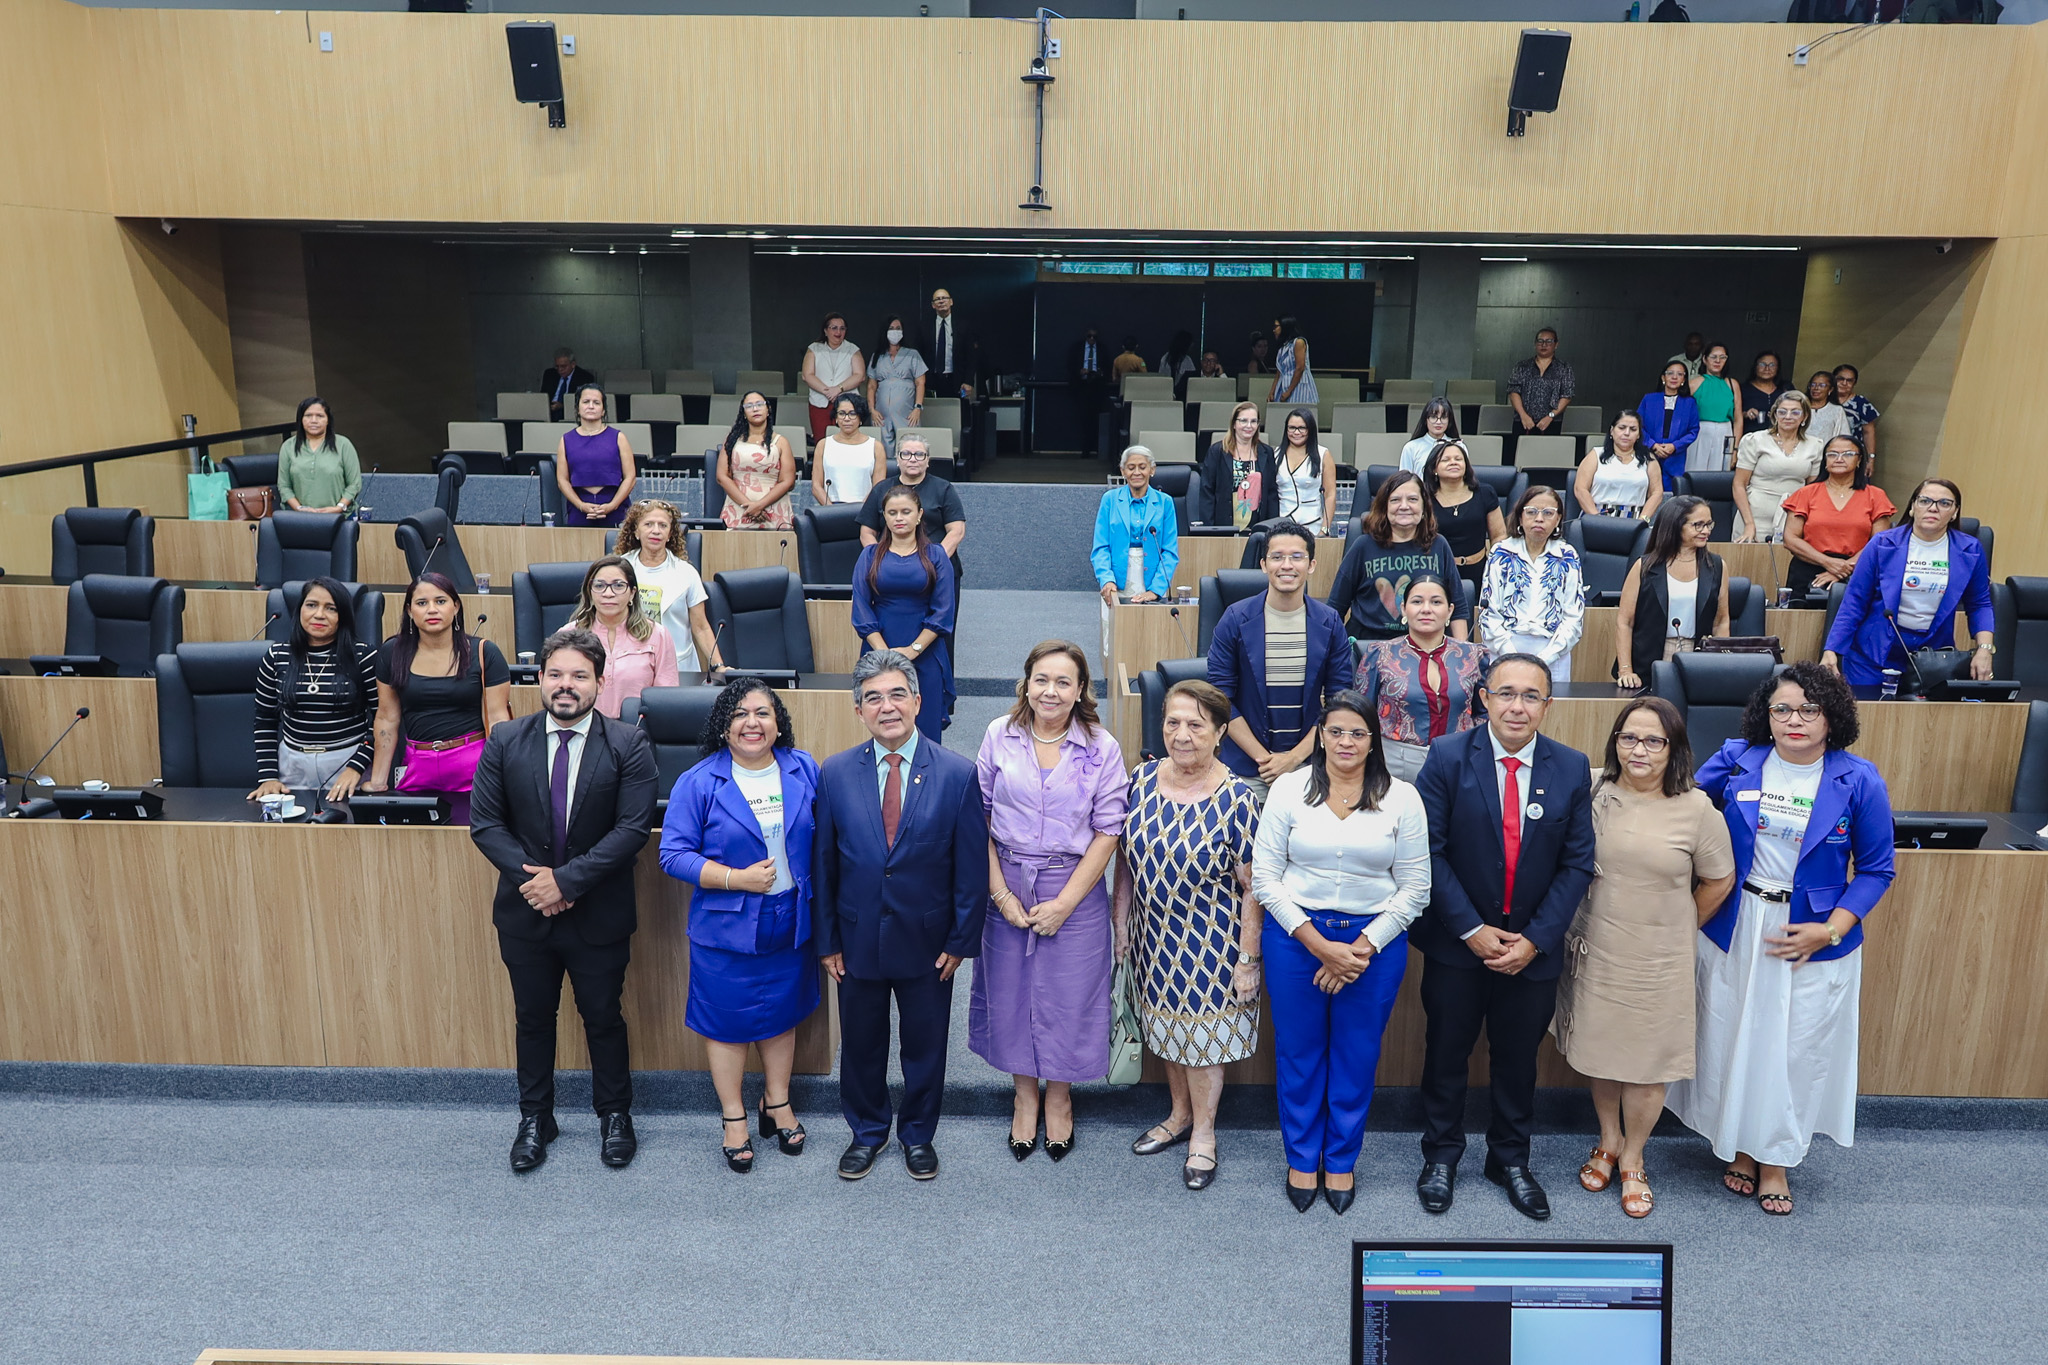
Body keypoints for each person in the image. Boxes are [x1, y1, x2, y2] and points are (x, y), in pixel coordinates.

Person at [1668, 662, 1895, 1216]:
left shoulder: (1857, 779)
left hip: (1812, 935)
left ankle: (1776, 1161)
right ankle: (1742, 1148)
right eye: (1783, 709)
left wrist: (1832, 927)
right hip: (1737, 920)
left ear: (1831, 717)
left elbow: (1875, 870)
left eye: (1810, 710)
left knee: (1794, 1049)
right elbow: (1682, 808)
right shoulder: (1738, 760)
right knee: (1732, 1035)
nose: (1796, 720)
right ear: (1765, 717)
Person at [1411, 653, 1597, 1220]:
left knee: (1518, 1062)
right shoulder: (1445, 757)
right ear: (1485, 699)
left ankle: (1510, 1159)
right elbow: (1428, 854)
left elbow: (1578, 864)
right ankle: (1441, 1156)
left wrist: (1535, 940)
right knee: (1447, 1055)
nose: (1518, 706)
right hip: (1456, 945)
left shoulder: (1570, 766)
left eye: (1531, 696)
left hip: (1531, 952)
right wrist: (1470, 929)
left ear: (1548, 704)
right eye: (1506, 693)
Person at [469, 627, 659, 1173]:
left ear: (599, 682)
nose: (566, 685)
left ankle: (615, 1115)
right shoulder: (506, 740)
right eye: (556, 674)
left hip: (597, 912)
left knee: (602, 1016)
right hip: (525, 912)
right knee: (532, 1017)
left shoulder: (628, 743)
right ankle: (535, 1117)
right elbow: (486, 825)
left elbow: (632, 829)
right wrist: (540, 885)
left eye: (579, 675)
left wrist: (567, 883)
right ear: (539, 679)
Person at [1553, 698, 1736, 1219]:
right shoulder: (1591, 789)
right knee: (1602, 1051)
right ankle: (1608, 1140)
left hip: (1658, 957)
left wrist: (1679, 927)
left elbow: (1720, 879)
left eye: (1654, 740)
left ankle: (1634, 1157)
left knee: (1646, 1064)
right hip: (1596, 947)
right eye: (1628, 738)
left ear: (1674, 748)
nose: (1639, 749)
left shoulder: (1696, 808)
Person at [814, 651, 989, 1181]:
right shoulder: (836, 772)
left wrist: (960, 942)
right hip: (857, 938)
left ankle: (917, 1135)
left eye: (896, 695)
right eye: (873, 698)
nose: (886, 707)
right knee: (861, 1047)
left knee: (925, 1047)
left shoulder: (958, 774)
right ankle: (866, 1133)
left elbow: (970, 868)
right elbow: (823, 863)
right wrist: (827, 940)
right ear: (859, 710)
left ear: (917, 701)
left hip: (929, 942)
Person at [1253, 689, 1428, 1214]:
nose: (1346, 741)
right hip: (1295, 938)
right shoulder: (1288, 790)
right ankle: (1302, 1158)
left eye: (1358, 732)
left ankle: (1341, 1160)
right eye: (1336, 732)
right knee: (1299, 1054)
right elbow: (1265, 877)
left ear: (1373, 740)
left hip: (1372, 945)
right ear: (1320, 737)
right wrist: (1319, 945)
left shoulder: (1402, 797)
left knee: (1356, 1055)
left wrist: (1358, 947)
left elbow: (1416, 887)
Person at [658, 677, 821, 1173]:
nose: (752, 723)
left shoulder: (803, 767)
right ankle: (734, 1116)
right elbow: (673, 855)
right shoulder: (700, 781)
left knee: (782, 1015)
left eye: (763, 713)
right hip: (726, 927)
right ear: (723, 726)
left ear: (778, 723)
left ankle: (777, 1103)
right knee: (726, 1023)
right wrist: (735, 878)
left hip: (791, 918)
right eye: (739, 714)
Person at [973, 641, 1127, 1162]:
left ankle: (1059, 1097)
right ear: (1026, 683)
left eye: (1064, 682)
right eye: (1042, 679)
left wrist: (1064, 903)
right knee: (1011, 994)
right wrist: (999, 893)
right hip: (1007, 881)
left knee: (1070, 997)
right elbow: (978, 822)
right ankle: (1024, 1098)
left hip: (1074, 888)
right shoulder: (1000, 734)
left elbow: (1108, 831)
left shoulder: (1101, 747)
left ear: (1081, 689)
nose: (1051, 691)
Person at [1115, 679, 1263, 1190]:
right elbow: (1124, 865)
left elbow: (1253, 889)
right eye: (1173, 722)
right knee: (1166, 1033)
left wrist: (1248, 959)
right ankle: (1177, 1116)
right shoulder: (1138, 780)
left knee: (1201, 1043)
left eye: (1196, 725)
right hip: (1152, 936)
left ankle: (1204, 1135)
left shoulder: (1239, 799)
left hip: (1211, 942)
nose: (1182, 735)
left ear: (1220, 733)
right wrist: (1121, 926)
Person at [1208, 521, 1357, 800]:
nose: (1286, 565)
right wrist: (1266, 761)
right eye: (1277, 557)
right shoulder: (1235, 619)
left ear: (1311, 565)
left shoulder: (1330, 622)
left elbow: (1339, 701)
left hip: (1308, 765)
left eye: (1296, 557)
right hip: (1244, 768)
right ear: (1264, 565)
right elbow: (1221, 700)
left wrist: (1293, 759)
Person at [365, 572, 513, 824]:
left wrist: (499, 778)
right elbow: (387, 718)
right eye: (422, 603)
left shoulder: (484, 652)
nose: (431, 609)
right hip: (417, 766)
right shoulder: (392, 652)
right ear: (410, 611)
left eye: (440, 601)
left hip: (474, 765)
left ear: (456, 607)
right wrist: (379, 780)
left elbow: (499, 720)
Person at [1821, 477, 1995, 685]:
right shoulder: (1883, 544)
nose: (1933, 508)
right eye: (1925, 501)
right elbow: (1855, 600)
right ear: (1912, 507)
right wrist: (1831, 650)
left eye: (1944, 503)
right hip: (1873, 652)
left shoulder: (1970, 550)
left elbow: (1979, 605)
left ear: (1955, 512)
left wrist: (1984, 650)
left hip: (1933, 656)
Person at [247, 576, 378, 803]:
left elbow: (383, 721)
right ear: (299, 610)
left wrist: (356, 767)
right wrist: (268, 777)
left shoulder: (363, 656)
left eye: (331, 608)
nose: (319, 615)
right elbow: (265, 721)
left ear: (342, 617)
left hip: (347, 761)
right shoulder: (276, 656)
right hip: (292, 763)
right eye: (311, 605)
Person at [1358, 574, 1489, 782]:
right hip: (1394, 764)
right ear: (1403, 609)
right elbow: (1361, 714)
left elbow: (1485, 713)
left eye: (1436, 602)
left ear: (1450, 611)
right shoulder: (1380, 654)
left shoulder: (1474, 655)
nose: (1426, 609)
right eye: (1417, 601)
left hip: (1459, 761)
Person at [852, 486, 958, 741]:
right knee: (882, 724)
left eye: (906, 511)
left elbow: (943, 611)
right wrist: (885, 653)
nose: (899, 518)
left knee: (926, 731)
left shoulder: (937, 555)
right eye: (892, 512)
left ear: (919, 515)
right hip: (878, 651)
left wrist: (913, 650)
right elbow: (862, 609)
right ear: (884, 517)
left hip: (926, 653)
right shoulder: (869, 555)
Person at [1329, 472, 1467, 643]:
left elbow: (1458, 608)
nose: (1404, 506)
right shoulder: (1362, 546)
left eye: (1412, 499)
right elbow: (1336, 607)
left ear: (1424, 507)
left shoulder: (1439, 545)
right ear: (1384, 507)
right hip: (1369, 646)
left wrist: (1463, 654)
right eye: (1395, 500)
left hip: (1425, 645)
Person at [1614, 497, 1732, 690]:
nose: (1706, 531)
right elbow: (1625, 622)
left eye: (1709, 524)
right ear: (1676, 525)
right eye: (1698, 525)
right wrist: (1626, 670)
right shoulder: (1645, 566)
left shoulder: (1717, 567)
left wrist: (1721, 664)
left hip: (1698, 658)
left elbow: (1721, 622)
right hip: (1650, 660)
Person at [1479, 486, 1584, 676]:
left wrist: (1545, 658)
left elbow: (1573, 618)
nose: (1539, 519)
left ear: (1558, 519)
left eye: (1548, 513)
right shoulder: (1501, 553)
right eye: (1532, 512)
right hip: (1506, 647)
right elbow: (1488, 614)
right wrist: (1511, 655)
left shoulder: (1567, 556)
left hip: (1554, 652)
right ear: (1520, 517)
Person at [616, 499, 722, 679]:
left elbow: (701, 627)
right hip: (628, 664)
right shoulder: (619, 569)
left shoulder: (686, 572)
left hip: (680, 666)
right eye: (648, 524)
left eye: (662, 525)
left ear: (670, 533)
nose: (656, 530)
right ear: (636, 531)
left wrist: (718, 666)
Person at [1779, 438, 1897, 597]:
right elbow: (1790, 539)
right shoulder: (1806, 493)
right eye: (1833, 454)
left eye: (1848, 454)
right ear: (1825, 460)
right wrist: (1828, 563)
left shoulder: (1876, 496)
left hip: (1858, 571)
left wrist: (1844, 569)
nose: (1839, 459)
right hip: (1808, 571)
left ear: (1859, 459)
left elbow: (1880, 542)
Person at [569, 557, 678, 718]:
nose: (608, 593)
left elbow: (665, 699)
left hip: (638, 730)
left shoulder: (657, 635)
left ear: (632, 593)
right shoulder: (569, 635)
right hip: (585, 729)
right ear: (590, 593)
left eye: (618, 586)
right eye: (599, 586)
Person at [857, 434, 967, 583]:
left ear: (928, 460)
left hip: (937, 569)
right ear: (897, 459)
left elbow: (957, 531)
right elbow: (866, 533)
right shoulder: (881, 489)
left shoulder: (943, 489)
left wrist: (936, 560)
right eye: (906, 454)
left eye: (920, 454)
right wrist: (880, 560)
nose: (913, 459)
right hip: (890, 570)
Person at [1092, 446, 1180, 605]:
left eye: (1142, 467)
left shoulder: (1165, 502)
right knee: (1117, 628)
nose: (1137, 473)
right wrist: (1106, 579)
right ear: (1123, 471)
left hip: (1154, 579)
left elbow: (1169, 551)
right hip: (1116, 580)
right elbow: (1100, 547)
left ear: (1152, 470)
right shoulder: (1109, 500)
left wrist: (1156, 589)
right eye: (1131, 468)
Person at [1733, 391, 1821, 543]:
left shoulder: (1816, 445)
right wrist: (1749, 524)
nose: (1788, 416)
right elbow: (1739, 484)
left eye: (1795, 412)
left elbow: (1813, 489)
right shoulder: (1755, 440)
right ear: (1774, 415)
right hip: (1755, 516)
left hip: (1794, 518)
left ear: (1804, 417)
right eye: (1782, 412)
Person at [1425, 441, 1505, 600]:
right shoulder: (1424, 498)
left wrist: (1495, 569)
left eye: (1458, 459)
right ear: (1434, 468)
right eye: (1446, 460)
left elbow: (1499, 536)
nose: (1453, 462)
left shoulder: (1485, 492)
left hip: (1479, 571)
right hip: (1438, 571)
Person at [555, 384, 637, 529]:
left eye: (596, 403)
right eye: (586, 402)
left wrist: (612, 505)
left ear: (603, 409)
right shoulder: (566, 440)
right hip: (580, 507)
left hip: (615, 505)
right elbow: (562, 480)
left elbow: (630, 477)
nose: (591, 406)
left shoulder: (618, 437)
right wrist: (581, 505)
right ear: (577, 408)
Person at [717, 391, 797, 531]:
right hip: (739, 509)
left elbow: (788, 481)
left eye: (759, 404)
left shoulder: (781, 442)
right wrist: (748, 505)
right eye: (749, 406)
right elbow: (722, 477)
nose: (755, 409)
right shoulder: (731, 441)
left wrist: (759, 505)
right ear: (743, 412)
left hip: (773, 511)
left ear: (768, 410)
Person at [276, 397, 362, 515]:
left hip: (339, 518)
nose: (314, 420)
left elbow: (354, 484)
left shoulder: (343, 445)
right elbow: (284, 485)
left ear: (328, 420)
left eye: (320, 416)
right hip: (300, 518)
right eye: (308, 415)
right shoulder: (288, 446)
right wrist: (299, 508)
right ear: (301, 419)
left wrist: (339, 507)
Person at [1199, 400, 1277, 529]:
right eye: (1243, 420)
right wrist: (1209, 529)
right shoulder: (1218, 451)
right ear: (1234, 424)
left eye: (1253, 421)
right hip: (1224, 527)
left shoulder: (1266, 452)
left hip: (1258, 528)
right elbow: (1207, 492)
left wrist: (1271, 528)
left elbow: (1271, 493)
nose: (1249, 425)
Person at [1573, 412, 1663, 522]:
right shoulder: (1596, 454)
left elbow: (1657, 493)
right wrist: (1595, 519)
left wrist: (1643, 520)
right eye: (1622, 428)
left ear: (1639, 434)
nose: (1627, 433)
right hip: (1596, 517)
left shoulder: (1649, 459)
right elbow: (1580, 489)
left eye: (1633, 429)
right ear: (1612, 430)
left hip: (1635, 521)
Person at [864, 316, 928, 456]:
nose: (895, 332)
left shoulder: (912, 354)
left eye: (898, 328)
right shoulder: (878, 356)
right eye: (891, 328)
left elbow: (920, 382)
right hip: (881, 415)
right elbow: (871, 386)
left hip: (907, 414)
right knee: (881, 449)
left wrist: (917, 408)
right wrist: (872, 410)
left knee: (908, 447)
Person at [1506, 327, 1575, 454]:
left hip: (1551, 422)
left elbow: (1567, 395)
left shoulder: (1564, 368)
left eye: (1549, 341)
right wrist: (1523, 415)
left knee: (1547, 458)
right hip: (1523, 421)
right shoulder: (1522, 366)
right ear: (1535, 344)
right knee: (1519, 456)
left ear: (1556, 345)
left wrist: (1550, 416)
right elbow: (1513, 391)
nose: (1544, 345)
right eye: (1540, 341)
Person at [812, 392, 887, 507]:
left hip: (864, 509)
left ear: (860, 417)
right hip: (830, 510)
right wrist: (831, 510)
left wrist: (862, 511)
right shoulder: (823, 445)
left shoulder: (876, 447)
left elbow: (878, 487)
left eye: (852, 414)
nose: (847, 419)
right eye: (842, 413)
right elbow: (816, 486)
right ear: (836, 418)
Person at [1635, 361, 1701, 492]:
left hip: (1675, 458)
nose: (1674, 377)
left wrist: (1674, 446)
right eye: (1670, 373)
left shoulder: (1689, 403)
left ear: (1684, 380)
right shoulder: (1649, 399)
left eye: (1679, 374)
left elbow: (1693, 430)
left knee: (1672, 499)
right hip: (1649, 454)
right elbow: (1637, 426)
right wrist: (1653, 445)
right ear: (1663, 378)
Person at [802, 312, 866, 442]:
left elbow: (860, 375)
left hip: (847, 403)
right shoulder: (814, 348)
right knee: (822, 441)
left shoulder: (853, 349)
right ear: (825, 331)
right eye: (834, 328)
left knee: (847, 440)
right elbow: (807, 375)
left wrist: (838, 389)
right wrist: (827, 391)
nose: (838, 332)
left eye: (842, 328)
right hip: (819, 402)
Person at [1271, 408, 1336, 535]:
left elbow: (1330, 495)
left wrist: (1324, 529)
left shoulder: (1323, 454)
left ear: (1310, 430)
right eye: (1292, 428)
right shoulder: (1275, 454)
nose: (1296, 432)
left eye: (1302, 428)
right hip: (1280, 525)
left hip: (1313, 525)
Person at [1686, 342, 1742, 473]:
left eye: (1722, 357)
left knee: (1719, 474)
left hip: (1725, 432)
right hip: (1700, 431)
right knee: (1695, 471)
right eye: (1713, 357)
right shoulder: (1694, 383)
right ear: (1705, 359)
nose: (1718, 361)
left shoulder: (1732, 385)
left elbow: (1738, 419)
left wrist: (1735, 449)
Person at [920, 285, 976, 402]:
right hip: (931, 381)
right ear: (933, 305)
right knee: (934, 416)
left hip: (958, 381)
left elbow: (971, 357)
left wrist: (968, 381)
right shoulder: (924, 327)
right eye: (937, 299)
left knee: (959, 415)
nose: (941, 301)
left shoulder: (963, 326)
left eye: (944, 298)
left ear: (951, 302)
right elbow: (919, 355)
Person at [1070, 325, 1108, 458]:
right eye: (1089, 336)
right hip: (1082, 386)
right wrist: (1079, 372)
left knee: (1097, 419)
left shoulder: (1102, 349)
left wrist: (1099, 373)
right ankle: (1085, 450)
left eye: (1094, 337)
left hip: (1097, 386)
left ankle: (1097, 448)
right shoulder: (1077, 349)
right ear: (1085, 336)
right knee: (1083, 419)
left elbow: (1107, 366)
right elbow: (1070, 365)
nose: (1092, 339)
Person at [1833, 365, 1880, 467]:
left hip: (1851, 454)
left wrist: (1871, 459)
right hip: (1826, 453)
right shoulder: (1824, 400)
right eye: (1840, 379)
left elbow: (1869, 432)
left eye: (1849, 381)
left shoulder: (1861, 403)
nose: (1844, 383)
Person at [1399, 398, 1460, 477]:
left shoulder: (1459, 446)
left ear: (1449, 421)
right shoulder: (1411, 447)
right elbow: (1404, 481)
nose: (1438, 422)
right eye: (1434, 417)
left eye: (1443, 417)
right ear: (1425, 420)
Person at [1739, 350, 1789, 436]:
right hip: (1750, 439)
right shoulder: (1743, 389)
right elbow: (1731, 414)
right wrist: (1745, 414)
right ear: (1755, 367)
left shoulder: (1784, 390)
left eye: (1772, 365)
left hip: (1777, 440)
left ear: (1778, 368)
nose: (1767, 368)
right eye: (1762, 364)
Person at [1268, 317, 1317, 406]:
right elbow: (1279, 372)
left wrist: (1289, 391)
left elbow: (1300, 368)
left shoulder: (1298, 342)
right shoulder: (1283, 347)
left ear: (1285, 326)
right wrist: (1272, 391)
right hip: (1283, 386)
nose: (1274, 330)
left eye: (1276, 327)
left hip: (1298, 387)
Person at [540, 347, 595, 422]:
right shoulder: (550, 374)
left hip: (571, 413)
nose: (560, 370)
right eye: (557, 366)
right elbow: (543, 396)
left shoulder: (585, 377)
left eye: (563, 366)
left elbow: (585, 402)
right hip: (550, 412)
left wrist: (562, 406)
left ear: (573, 364)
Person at [1801, 371, 1853, 449]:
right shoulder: (1800, 407)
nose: (1816, 388)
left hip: (1825, 455)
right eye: (1813, 384)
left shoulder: (1837, 410)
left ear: (1830, 389)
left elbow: (1843, 437)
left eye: (1822, 385)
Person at [1158, 329, 1197, 399]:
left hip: (1166, 393)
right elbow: (1193, 380)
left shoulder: (1165, 358)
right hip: (1180, 394)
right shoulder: (1187, 360)